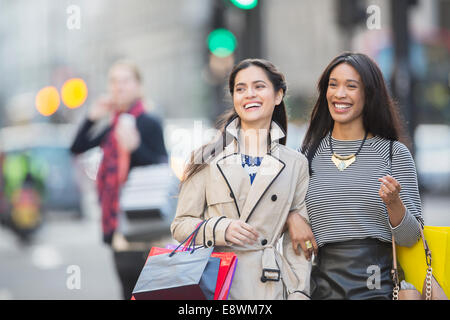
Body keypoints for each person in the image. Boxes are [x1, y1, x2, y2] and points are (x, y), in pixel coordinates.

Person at [285, 52, 424, 300]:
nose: (339, 94)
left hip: (377, 286)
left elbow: (411, 238)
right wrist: (291, 216)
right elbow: (272, 212)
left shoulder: (393, 153)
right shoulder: (306, 155)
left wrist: (394, 203)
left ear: (369, 94)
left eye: (351, 86)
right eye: (333, 84)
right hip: (320, 286)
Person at [171, 58, 311, 300]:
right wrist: (220, 228)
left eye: (259, 86)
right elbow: (180, 225)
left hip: (270, 286)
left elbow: (295, 245)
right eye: (241, 89)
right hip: (217, 285)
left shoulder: (295, 163)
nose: (249, 95)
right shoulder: (207, 157)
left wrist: (299, 293)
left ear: (278, 96)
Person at [70, 59, 168, 299]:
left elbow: (160, 167)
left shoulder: (149, 122)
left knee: (147, 294)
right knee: (126, 291)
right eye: (114, 81)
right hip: (118, 225)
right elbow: (77, 147)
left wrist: (135, 147)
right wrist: (92, 117)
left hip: (145, 227)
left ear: (138, 86)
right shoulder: (113, 125)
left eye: (125, 81)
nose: (119, 87)